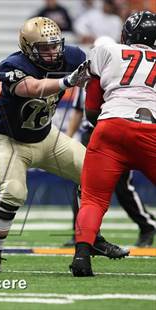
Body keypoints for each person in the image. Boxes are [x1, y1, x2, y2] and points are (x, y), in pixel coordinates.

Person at [0, 17, 129, 273]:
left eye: (55, 46)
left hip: (46, 137)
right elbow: (33, 87)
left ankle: (92, 239)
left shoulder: (71, 56)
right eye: (44, 48)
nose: (52, 52)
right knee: (14, 193)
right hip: (7, 140)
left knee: (95, 172)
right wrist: (68, 81)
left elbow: (97, 81)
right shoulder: (12, 64)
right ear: (28, 48)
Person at [70, 11, 156, 277]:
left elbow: (93, 107)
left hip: (110, 125)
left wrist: (107, 128)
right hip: (151, 129)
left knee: (93, 199)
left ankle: (82, 257)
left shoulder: (107, 51)